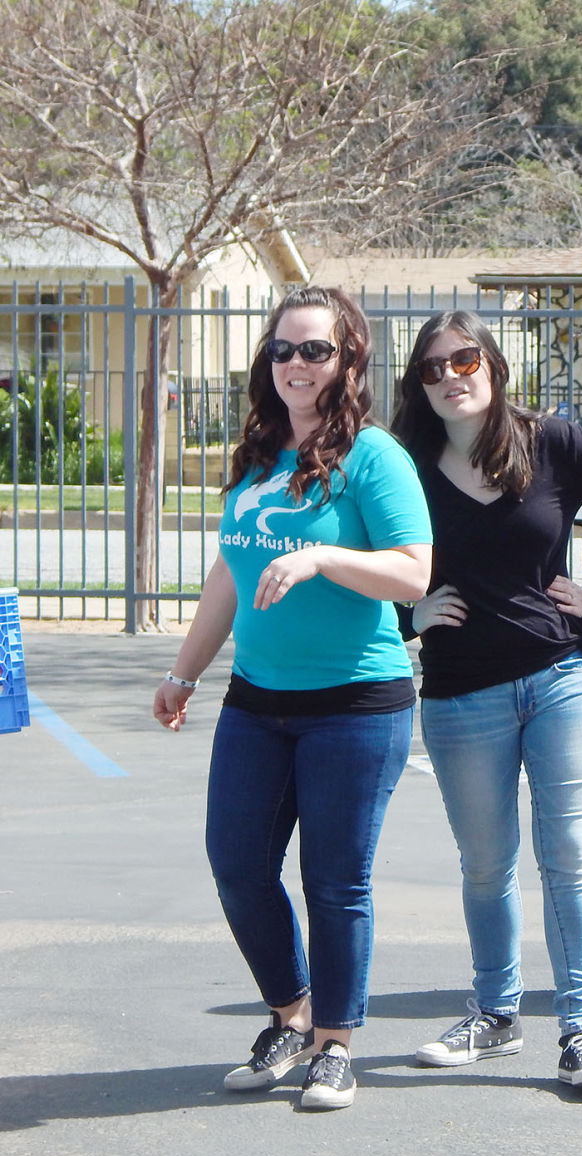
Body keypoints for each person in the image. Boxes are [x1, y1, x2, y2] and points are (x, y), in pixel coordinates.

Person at [152, 286, 433, 1112]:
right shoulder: (258, 453)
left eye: (315, 350)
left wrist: (318, 557)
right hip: (256, 700)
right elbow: (227, 576)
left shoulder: (376, 456)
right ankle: (289, 1014)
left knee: (335, 881)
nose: (296, 365)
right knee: (237, 865)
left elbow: (414, 571)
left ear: (349, 359)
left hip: (356, 704)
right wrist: (184, 673)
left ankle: (335, 1043)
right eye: (283, 350)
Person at [391, 310, 582, 1089]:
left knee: (569, 861)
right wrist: (405, 617)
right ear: (418, 385)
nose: (452, 377)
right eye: (432, 369)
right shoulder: (404, 462)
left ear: (492, 364)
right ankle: (495, 1015)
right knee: (486, 866)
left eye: (464, 361)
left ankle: (581, 1031)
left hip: (562, 680)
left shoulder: (549, 441)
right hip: (460, 695)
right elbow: (365, 556)